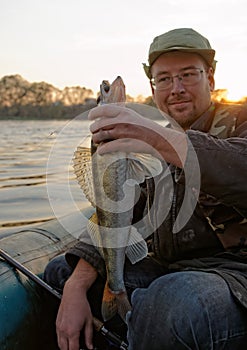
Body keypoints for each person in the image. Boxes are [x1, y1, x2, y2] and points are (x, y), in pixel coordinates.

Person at [44, 28, 247, 350]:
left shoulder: (240, 119)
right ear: (153, 87)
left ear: (210, 78)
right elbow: (118, 210)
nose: (176, 88)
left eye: (187, 75)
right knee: (61, 273)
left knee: (173, 298)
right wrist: (75, 287)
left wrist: (164, 141)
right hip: (175, 268)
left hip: (237, 275)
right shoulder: (144, 143)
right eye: (164, 79)